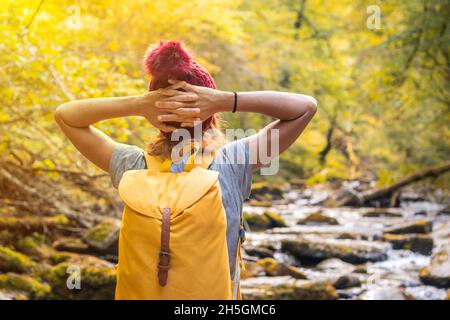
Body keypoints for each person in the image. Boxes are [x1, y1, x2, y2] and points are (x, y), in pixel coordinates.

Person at [54, 41, 317, 298]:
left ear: (156, 116)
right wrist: (225, 100)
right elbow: (304, 108)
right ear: (210, 112)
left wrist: (138, 105)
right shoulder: (233, 162)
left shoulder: (132, 165)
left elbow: (66, 115)